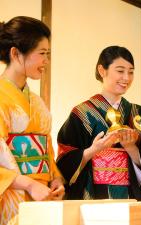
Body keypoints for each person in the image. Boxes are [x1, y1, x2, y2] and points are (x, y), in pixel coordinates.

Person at [56, 46, 141, 201]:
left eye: (131, 72)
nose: (126, 77)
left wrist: (131, 148)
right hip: (92, 197)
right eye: (120, 71)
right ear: (102, 70)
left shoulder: (138, 113)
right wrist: (93, 150)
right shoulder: (82, 113)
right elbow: (65, 159)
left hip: (129, 196)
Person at [0, 16, 65, 225]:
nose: (46, 61)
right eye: (42, 54)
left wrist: (55, 178)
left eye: (48, 54)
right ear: (16, 53)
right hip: (11, 194)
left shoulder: (37, 101)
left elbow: (46, 151)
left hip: (42, 195)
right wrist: (28, 185)